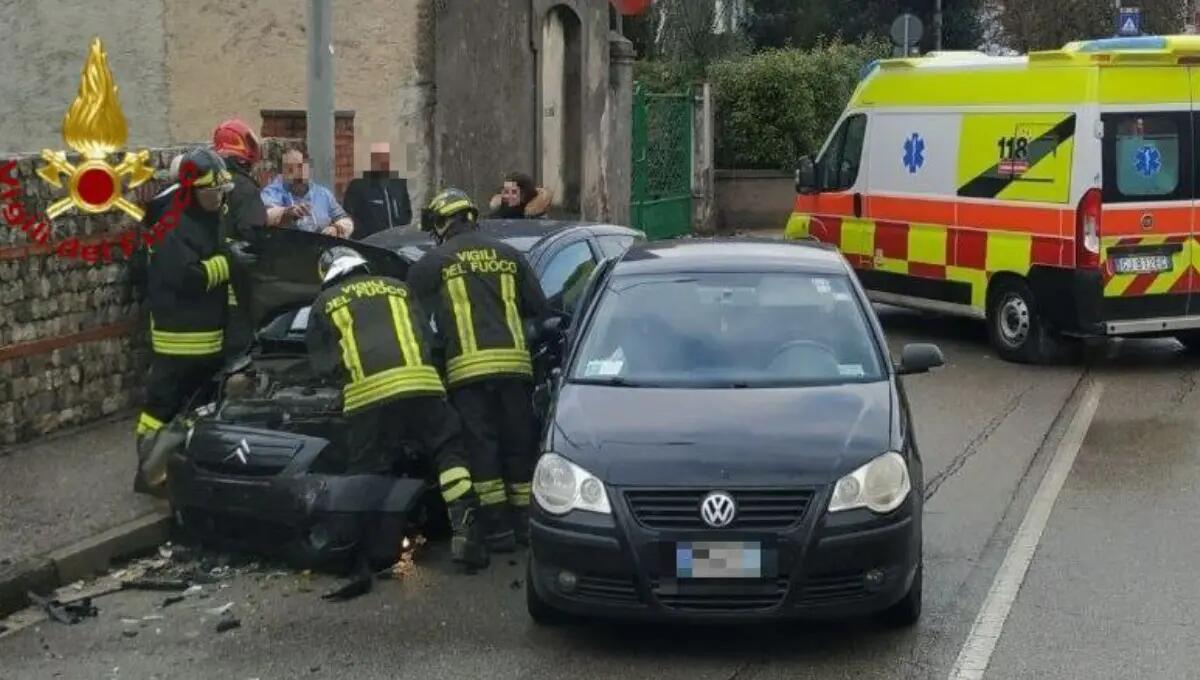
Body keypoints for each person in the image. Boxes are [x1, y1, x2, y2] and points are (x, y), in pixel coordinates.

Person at [306, 246, 488, 569]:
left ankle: (366, 551)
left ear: (328, 276)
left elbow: (323, 366)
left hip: (368, 396)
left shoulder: (324, 302)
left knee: (368, 468)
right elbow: (427, 340)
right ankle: (465, 531)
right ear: (363, 267)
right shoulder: (399, 287)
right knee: (448, 449)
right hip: (420, 383)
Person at [408, 189, 551, 551]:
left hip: (466, 374)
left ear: (442, 222)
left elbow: (412, 321)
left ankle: (498, 532)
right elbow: (540, 309)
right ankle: (526, 529)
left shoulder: (434, 262)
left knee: (482, 449)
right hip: (516, 370)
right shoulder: (509, 255)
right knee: (519, 445)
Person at [135, 148, 237, 494]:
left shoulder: (210, 220)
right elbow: (187, 277)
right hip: (176, 340)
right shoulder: (170, 226)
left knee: (199, 410)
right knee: (161, 410)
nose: (218, 197)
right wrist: (229, 265)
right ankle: (149, 473)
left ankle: (181, 473)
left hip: (210, 339)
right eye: (211, 191)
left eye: (221, 191)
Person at [212, 118, 267, 357]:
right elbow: (255, 237)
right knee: (240, 356)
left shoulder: (205, 184)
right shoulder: (245, 188)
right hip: (240, 293)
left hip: (208, 293)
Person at [261, 149, 355, 238]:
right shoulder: (272, 192)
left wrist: (336, 229)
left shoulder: (322, 194)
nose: (297, 173)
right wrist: (286, 213)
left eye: (300, 167)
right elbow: (265, 216)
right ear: (282, 173)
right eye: (290, 169)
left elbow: (345, 220)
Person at [342, 142, 412, 240]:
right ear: (372, 160)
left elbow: (406, 211)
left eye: (386, 157)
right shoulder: (359, 185)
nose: (384, 162)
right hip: (371, 243)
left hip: (398, 241)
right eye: (379, 158)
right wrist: (364, 235)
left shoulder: (398, 183)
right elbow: (349, 214)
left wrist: (401, 231)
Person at [488, 172, 552, 219]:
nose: (504, 194)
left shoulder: (537, 220)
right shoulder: (502, 212)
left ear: (523, 195)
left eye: (510, 190)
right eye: (505, 189)